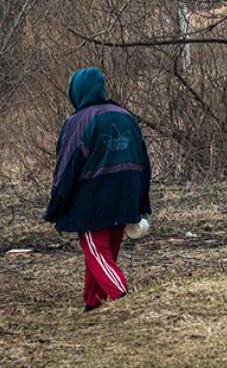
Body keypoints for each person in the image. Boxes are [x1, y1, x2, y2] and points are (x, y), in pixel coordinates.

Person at [44, 67, 151, 311]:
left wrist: (56, 205)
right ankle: (94, 301)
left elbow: (66, 166)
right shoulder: (126, 116)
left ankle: (121, 294)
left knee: (96, 251)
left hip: (92, 199)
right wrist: (143, 203)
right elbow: (144, 163)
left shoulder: (78, 121)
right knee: (105, 253)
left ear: (77, 92)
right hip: (128, 194)